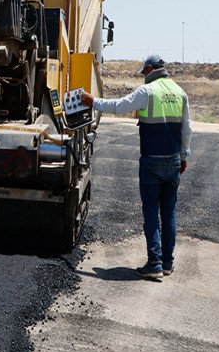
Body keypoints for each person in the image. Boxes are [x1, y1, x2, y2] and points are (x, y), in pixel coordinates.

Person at [81, 54, 192, 280]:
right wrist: (184, 155)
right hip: (172, 160)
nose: (144, 77)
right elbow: (187, 129)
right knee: (169, 212)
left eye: (144, 73)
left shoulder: (148, 91)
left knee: (151, 211)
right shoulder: (180, 92)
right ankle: (168, 263)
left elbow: (120, 106)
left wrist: (93, 101)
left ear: (150, 69)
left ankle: (155, 264)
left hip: (152, 161)